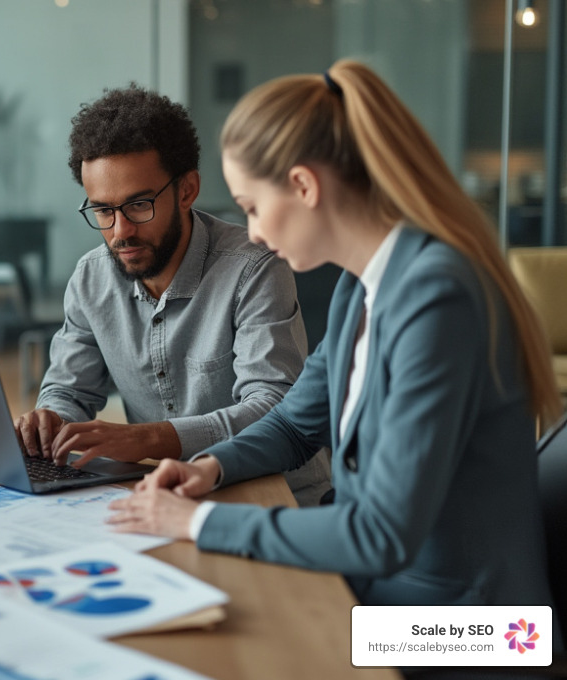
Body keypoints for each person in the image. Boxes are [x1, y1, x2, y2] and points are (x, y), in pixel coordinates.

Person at [109, 61, 560, 617]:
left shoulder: (437, 298)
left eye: (252, 207)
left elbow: (382, 535)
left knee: (257, 646)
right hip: (393, 591)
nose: (251, 231)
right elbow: (297, 423)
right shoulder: (361, 284)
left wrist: (198, 521)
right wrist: (212, 467)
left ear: (303, 185)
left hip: (474, 629)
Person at [13, 85, 331, 505]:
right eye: (103, 211)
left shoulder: (254, 267)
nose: (120, 231)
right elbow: (69, 391)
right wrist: (50, 421)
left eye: (139, 205)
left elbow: (271, 407)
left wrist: (149, 439)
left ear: (186, 191)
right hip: (166, 495)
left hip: (275, 496)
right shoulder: (91, 278)